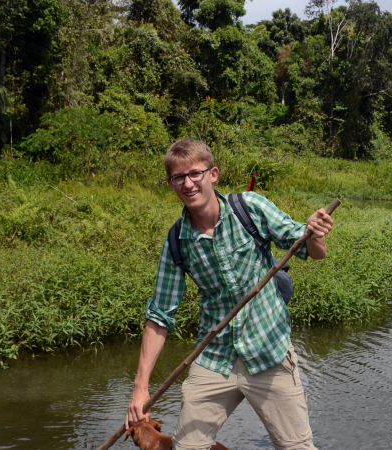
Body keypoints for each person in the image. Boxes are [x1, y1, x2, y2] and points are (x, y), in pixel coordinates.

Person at [126, 139, 334, 450]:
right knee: (187, 448)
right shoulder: (177, 241)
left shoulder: (249, 208)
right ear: (171, 184)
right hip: (214, 358)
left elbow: (310, 249)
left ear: (213, 174)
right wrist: (140, 388)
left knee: (298, 448)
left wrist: (315, 233)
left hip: (269, 353)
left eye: (195, 173)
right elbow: (159, 316)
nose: (188, 183)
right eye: (178, 177)